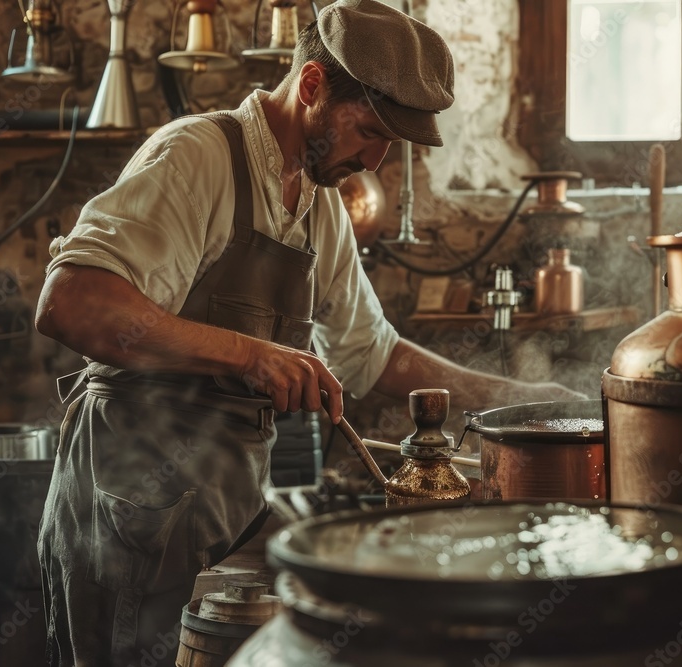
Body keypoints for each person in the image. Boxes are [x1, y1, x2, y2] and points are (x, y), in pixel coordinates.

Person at [34, 0, 583, 664]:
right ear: (314, 85)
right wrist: (249, 354)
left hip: (223, 511)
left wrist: (519, 401)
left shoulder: (319, 207)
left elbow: (371, 354)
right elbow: (71, 302)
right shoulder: (197, 156)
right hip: (127, 513)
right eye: (370, 132)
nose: (376, 162)